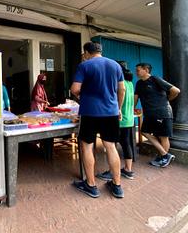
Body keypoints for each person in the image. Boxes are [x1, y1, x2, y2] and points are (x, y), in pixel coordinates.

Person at [71, 41, 125, 198]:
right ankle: (117, 185)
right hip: (111, 112)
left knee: (87, 146)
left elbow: (74, 89)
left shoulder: (85, 65)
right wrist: (118, 108)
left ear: (87, 52)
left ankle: (91, 185)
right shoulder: (115, 65)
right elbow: (121, 89)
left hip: (90, 112)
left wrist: (83, 97)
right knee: (111, 147)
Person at [134, 63, 180, 167]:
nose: (136, 72)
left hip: (162, 113)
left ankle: (163, 158)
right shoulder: (139, 83)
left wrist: (167, 100)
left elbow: (176, 91)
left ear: (146, 70)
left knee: (163, 136)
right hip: (150, 113)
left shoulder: (155, 79)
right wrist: (131, 108)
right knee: (145, 132)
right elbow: (136, 98)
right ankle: (165, 155)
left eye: (138, 70)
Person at [96, 61, 135, 181]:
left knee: (111, 146)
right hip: (129, 119)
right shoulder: (130, 83)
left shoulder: (119, 84)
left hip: (118, 118)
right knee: (126, 144)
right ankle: (128, 170)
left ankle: (112, 172)